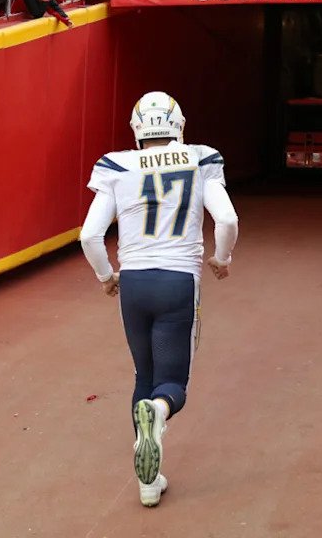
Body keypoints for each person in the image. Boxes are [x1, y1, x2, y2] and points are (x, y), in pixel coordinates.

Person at [79, 91, 238, 508]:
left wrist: (106, 277)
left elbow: (90, 235)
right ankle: (160, 414)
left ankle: (148, 483)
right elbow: (226, 219)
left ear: (137, 129)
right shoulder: (200, 159)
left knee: (142, 376)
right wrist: (221, 259)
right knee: (172, 385)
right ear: (178, 125)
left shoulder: (116, 164)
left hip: (133, 280)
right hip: (177, 279)